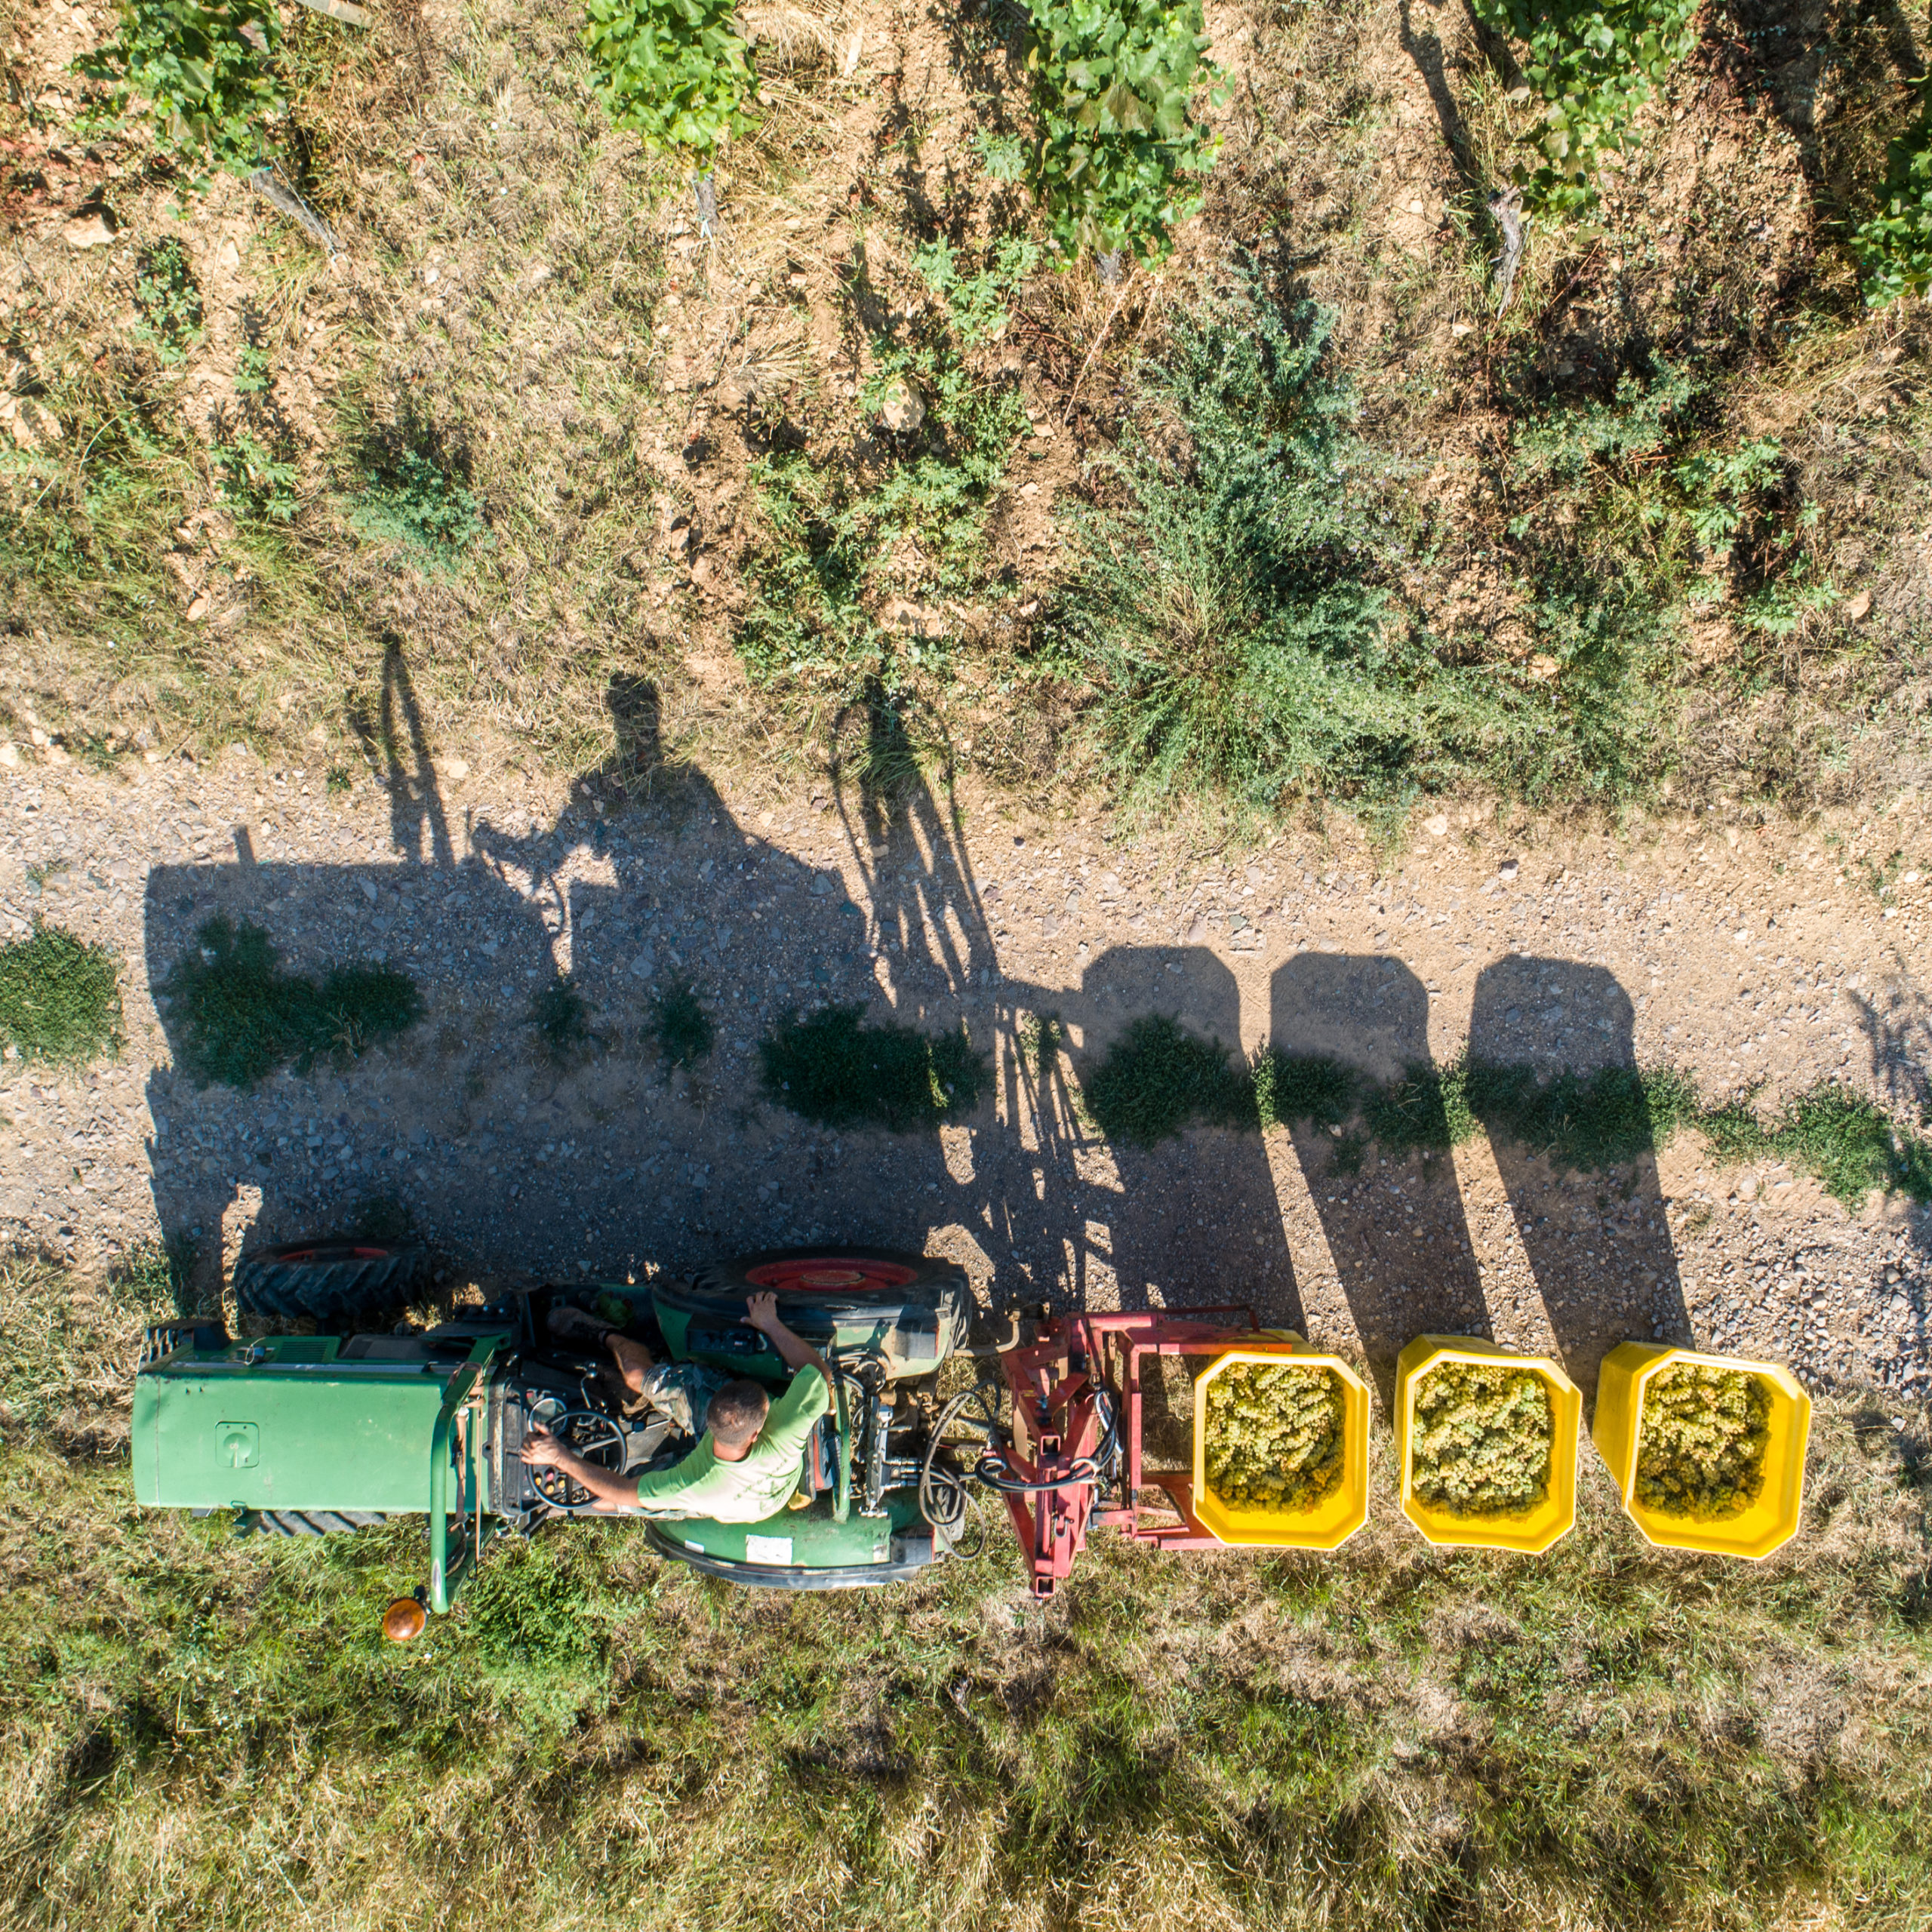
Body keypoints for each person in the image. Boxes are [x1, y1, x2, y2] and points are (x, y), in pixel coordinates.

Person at [521, 1291, 832, 1520]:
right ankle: (608, 1336)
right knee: (637, 1376)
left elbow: (622, 1491)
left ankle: (610, 1345)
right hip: (754, 1502)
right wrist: (771, 1323)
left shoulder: (694, 1483)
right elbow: (820, 1374)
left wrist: (561, 1457)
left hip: (714, 1496)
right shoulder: (786, 1430)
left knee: (608, 1500)